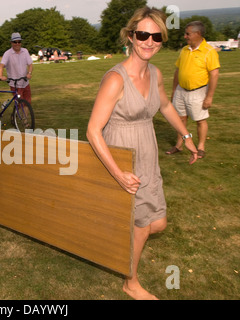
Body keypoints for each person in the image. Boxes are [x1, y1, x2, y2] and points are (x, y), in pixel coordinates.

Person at [86, 7, 198, 300]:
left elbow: (165, 106)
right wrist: (118, 173)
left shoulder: (155, 73)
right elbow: (93, 131)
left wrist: (185, 136)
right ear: (131, 36)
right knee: (142, 224)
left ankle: (118, 245)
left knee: (156, 223)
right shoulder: (115, 79)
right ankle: (130, 282)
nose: (150, 41)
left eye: (156, 35)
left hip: (147, 151)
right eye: (143, 34)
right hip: (121, 155)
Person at [165, 21, 220, 159]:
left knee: (200, 120)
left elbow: (214, 74)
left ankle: (200, 147)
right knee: (180, 119)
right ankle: (179, 145)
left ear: (198, 34)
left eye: (188, 34)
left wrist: (209, 97)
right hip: (180, 91)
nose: (185, 36)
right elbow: (178, 71)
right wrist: (173, 91)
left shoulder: (209, 51)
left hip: (198, 92)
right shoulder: (184, 50)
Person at [0, 32, 33, 103]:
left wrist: (29, 73)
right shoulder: (7, 53)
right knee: (20, 104)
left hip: (25, 82)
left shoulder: (25, 51)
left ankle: (25, 115)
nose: (17, 44)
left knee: (27, 103)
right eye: (15, 42)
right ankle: (19, 114)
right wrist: (1, 76)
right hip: (15, 84)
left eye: (19, 42)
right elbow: (1, 66)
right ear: (11, 42)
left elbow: (30, 64)